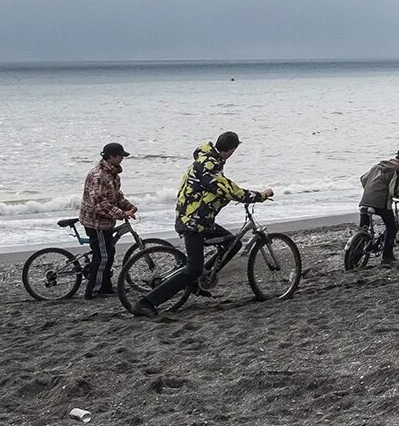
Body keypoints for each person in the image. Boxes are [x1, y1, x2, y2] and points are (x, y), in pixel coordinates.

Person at [131, 130, 272, 319]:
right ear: (231, 150)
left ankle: (201, 279)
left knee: (233, 243)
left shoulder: (208, 159)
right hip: (193, 222)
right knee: (193, 267)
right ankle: (146, 303)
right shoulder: (209, 165)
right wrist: (260, 195)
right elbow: (229, 189)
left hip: (201, 220)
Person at [78, 143, 138, 299]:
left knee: (109, 253)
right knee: (103, 256)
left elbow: (116, 195)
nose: (122, 159)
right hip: (96, 222)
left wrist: (129, 206)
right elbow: (99, 203)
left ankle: (106, 286)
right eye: (120, 156)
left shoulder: (112, 174)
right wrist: (121, 214)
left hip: (106, 222)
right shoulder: (98, 175)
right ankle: (93, 291)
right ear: (111, 156)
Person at [359, 149, 399, 266]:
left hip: (365, 200)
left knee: (363, 229)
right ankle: (387, 258)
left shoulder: (378, 166)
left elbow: (363, 179)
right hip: (381, 203)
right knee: (392, 227)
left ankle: (355, 254)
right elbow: (393, 192)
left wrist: (372, 191)